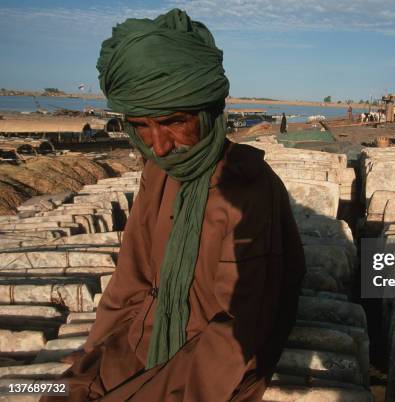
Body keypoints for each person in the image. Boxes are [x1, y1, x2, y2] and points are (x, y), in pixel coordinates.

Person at [43, 9, 305, 402]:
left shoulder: (249, 191)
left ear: (207, 111)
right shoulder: (158, 173)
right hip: (139, 341)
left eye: (173, 122)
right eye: (142, 127)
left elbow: (237, 336)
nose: (159, 145)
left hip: (206, 369)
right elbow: (129, 280)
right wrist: (92, 352)